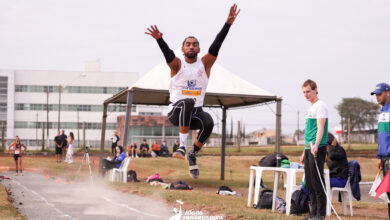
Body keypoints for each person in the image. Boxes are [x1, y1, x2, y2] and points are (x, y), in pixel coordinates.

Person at [145, 4, 240, 179]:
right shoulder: (177, 65)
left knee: (209, 122)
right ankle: (181, 146)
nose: (191, 47)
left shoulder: (204, 64)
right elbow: (167, 56)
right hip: (176, 112)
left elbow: (216, 46)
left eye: (195, 45)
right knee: (187, 102)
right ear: (182, 49)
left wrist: (228, 24)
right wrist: (159, 40)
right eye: (188, 45)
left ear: (199, 49)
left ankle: (192, 153)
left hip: (195, 112)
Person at [299, 79, 328, 220]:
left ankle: (321, 214)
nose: (306, 94)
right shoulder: (310, 107)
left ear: (316, 90)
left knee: (317, 182)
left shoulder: (320, 105)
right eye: (304, 92)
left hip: (317, 148)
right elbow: (309, 131)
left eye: (308, 91)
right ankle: (312, 213)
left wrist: (316, 145)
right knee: (309, 183)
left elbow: (320, 127)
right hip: (308, 149)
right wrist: (304, 151)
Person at [371, 82, 390, 218]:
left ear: (388, 93)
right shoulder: (382, 111)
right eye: (375, 94)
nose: (377, 97)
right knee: (388, 193)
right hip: (383, 158)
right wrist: (379, 156)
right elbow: (382, 136)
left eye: (380, 94)